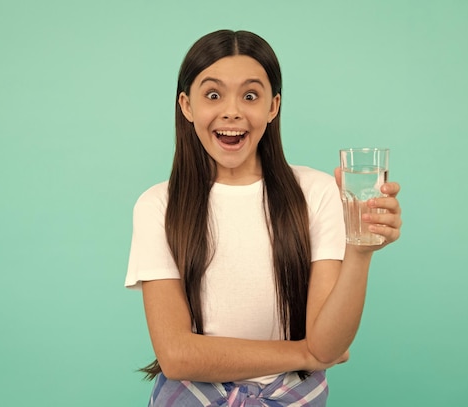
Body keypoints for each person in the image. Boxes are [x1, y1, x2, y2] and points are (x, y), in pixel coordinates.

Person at [125, 29, 402, 406]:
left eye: (251, 95)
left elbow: (331, 341)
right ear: (186, 106)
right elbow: (176, 355)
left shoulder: (317, 192)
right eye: (212, 95)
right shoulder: (158, 205)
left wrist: (360, 251)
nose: (233, 111)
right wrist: (307, 355)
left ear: (273, 107)